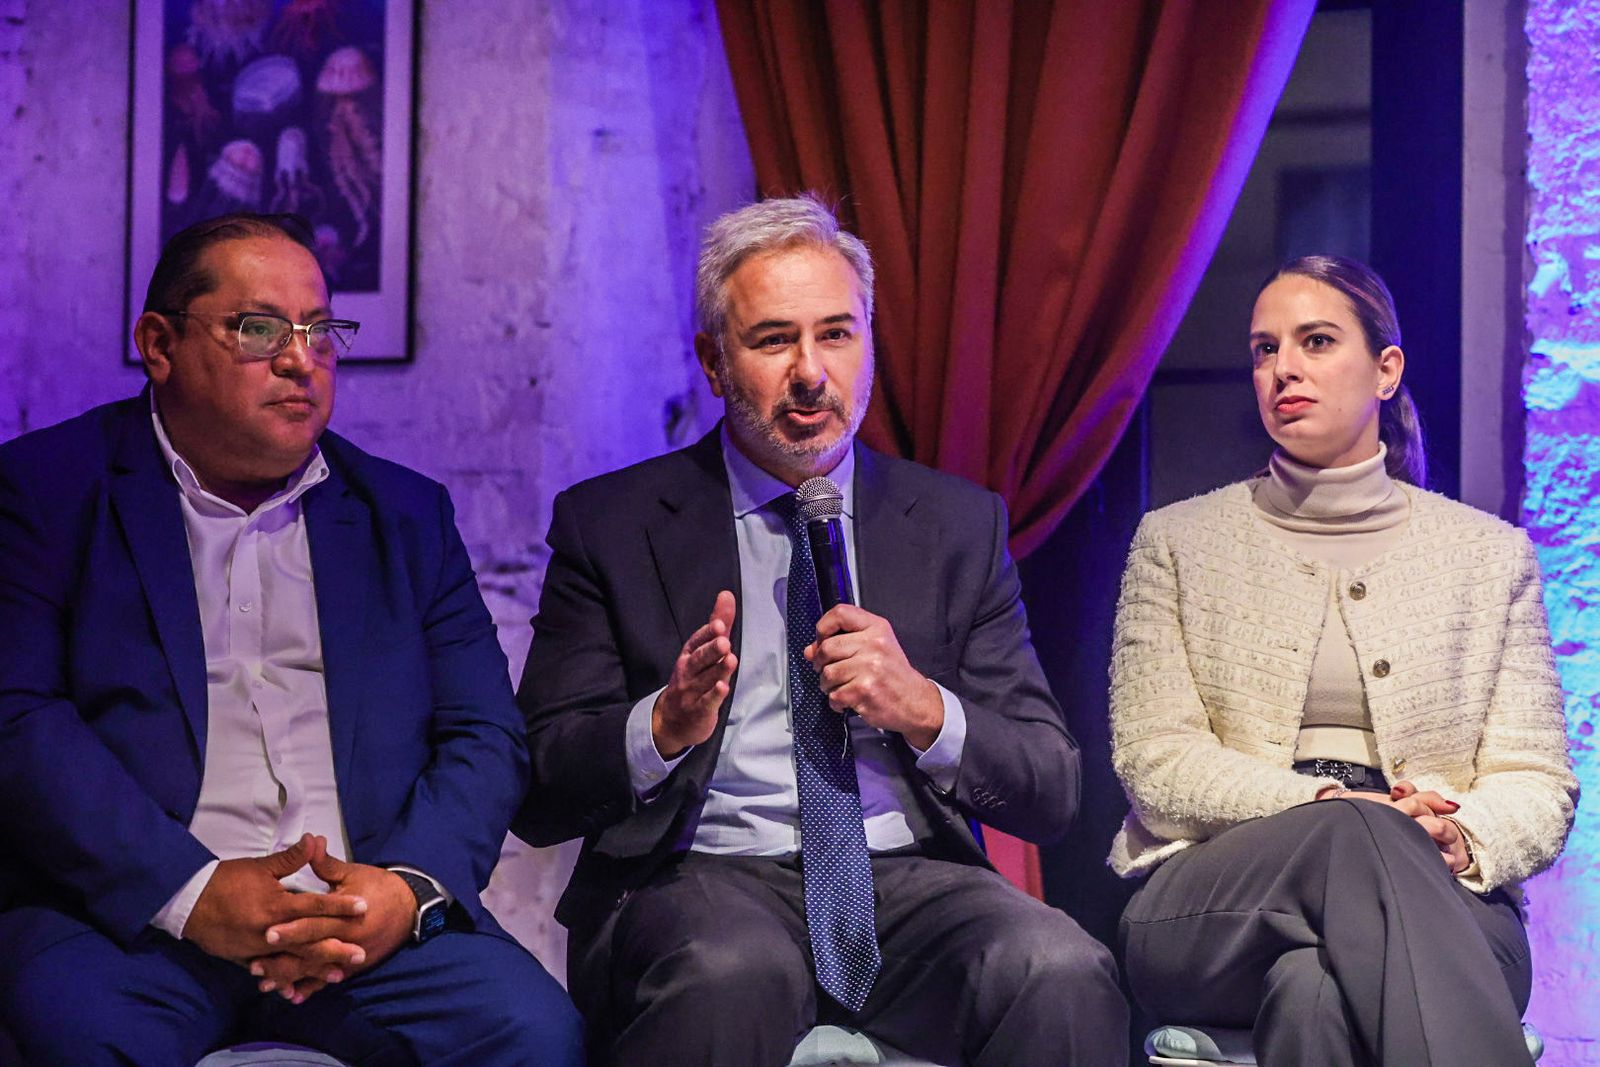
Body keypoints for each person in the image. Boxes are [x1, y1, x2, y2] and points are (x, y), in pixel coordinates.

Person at [513, 194, 1128, 1067]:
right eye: (774, 340)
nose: (811, 371)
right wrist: (660, 727)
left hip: (909, 878)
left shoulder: (956, 525)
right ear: (715, 362)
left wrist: (923, 708)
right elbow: (538, 789)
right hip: (703, 878)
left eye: (836, 334)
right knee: (732, 971)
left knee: (1059, 967)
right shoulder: (612, 524)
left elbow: (1050, 787)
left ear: (868, 340)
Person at [0, 213, 583, 1067]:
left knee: (532, 1033)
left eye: (320, 332)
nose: (299, 358)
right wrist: (191, 893)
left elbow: (485, 735)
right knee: (82, 1039)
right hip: (131, 923)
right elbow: (18, 721)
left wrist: (405, 889)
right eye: (259, 328)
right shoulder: (44, 493)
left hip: (364, 927)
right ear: (159, 345)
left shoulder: (405, 516)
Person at [1109, 254, 1578, 1065]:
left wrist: (1458, 839)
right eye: (1264, 349)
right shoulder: (1177, 543)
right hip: (1215, 904)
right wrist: (1335, 806)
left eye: (1315, 341)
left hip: (1447, 896)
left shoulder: (1488, 558)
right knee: (1351, 833)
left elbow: (1537, 780)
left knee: (1315, 995)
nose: (1282, 367)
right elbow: (1156, 762)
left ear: (1385, 370)